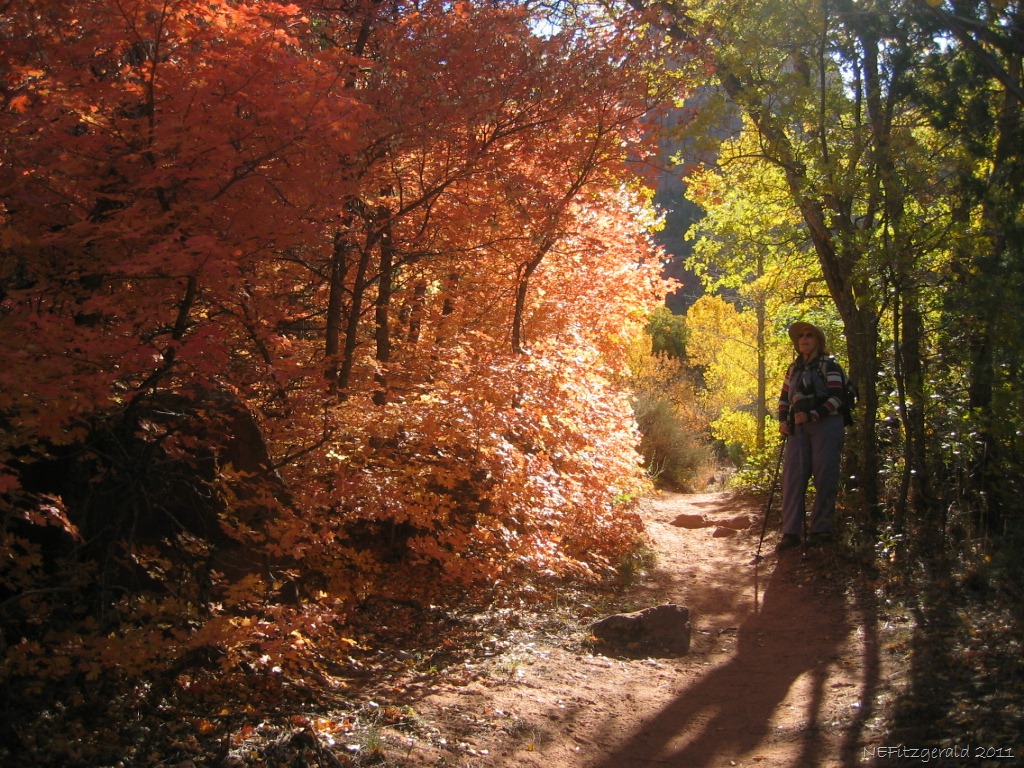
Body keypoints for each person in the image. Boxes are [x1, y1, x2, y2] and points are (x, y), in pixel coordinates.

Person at [775, 321, 847, 551]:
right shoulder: (793, 368)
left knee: (825, 477)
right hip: (798, 429)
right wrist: (783, 422)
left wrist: (814, 414)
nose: (803, 339)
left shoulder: (831, 366)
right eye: (800, 337)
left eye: (809, 335)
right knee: (793, 478)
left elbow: (838, 398)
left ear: (818, 340)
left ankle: (821, 530)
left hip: (827, 428)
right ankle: (791, 533)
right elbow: (785, 399)